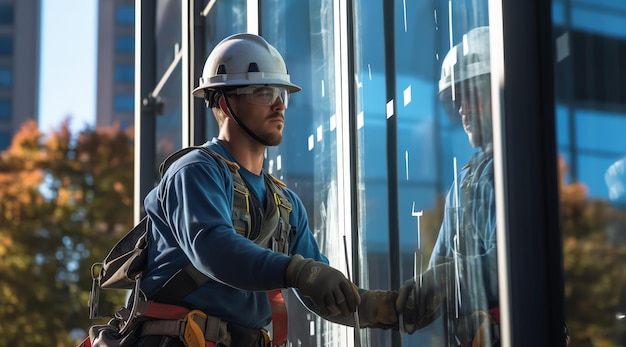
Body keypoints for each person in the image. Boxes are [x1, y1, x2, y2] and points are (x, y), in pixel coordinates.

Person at [131, 33, 401, 347]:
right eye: (263, 93)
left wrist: (385, 308)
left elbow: (320, 290)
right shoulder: (196, 171)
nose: (278, 105)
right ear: (226, 104)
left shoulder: (284, 204)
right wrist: (297, 270)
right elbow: (214, 248)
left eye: (281, 94)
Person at [396, 26, 499, 346]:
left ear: (495, 90)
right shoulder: (465, 180)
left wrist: (445, 279)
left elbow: (509, 262)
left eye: (470, 97)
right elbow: (438, 267)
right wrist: (409, 298)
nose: (463, 110)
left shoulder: (518, 170)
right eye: (458, 101)